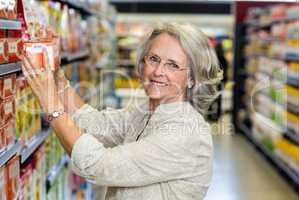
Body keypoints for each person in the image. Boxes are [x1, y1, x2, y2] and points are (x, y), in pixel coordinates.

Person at [22, 23, 223, 200]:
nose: (158, 71)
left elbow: (98, 166)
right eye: (153, 59)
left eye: (173, 65)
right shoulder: (146, 112)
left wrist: (51, 104)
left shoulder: (185, 133)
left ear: (191, 78)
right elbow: (94, 123)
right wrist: (57, 76)